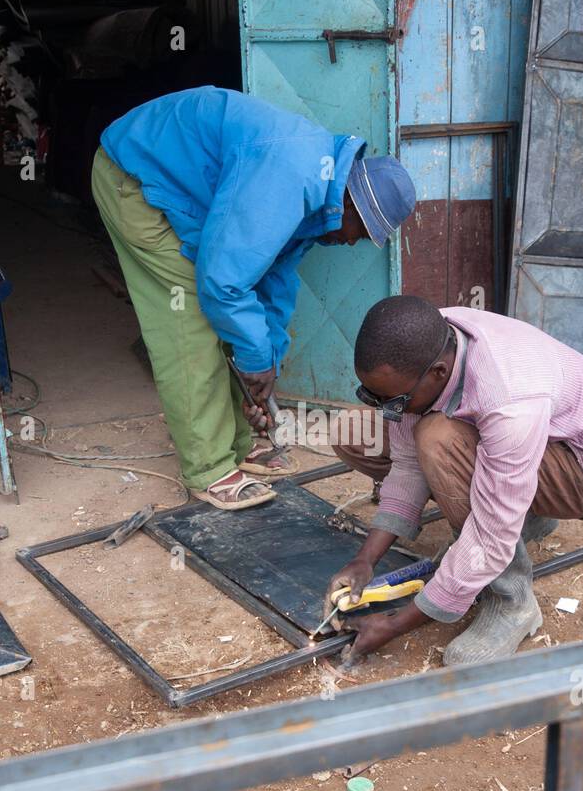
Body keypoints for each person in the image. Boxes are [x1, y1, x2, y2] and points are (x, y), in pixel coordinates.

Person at [92, 86, 417, 509]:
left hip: (181, 182)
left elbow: (272, 283)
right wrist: (254, 361)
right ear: (352, 206)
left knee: (241, 329)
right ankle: (208, 467)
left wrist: (266, 366)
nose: (355, 244)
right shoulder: (289, 179)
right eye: (363, 233)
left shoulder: (320, 195)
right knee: (192, 317)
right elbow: (224, 284)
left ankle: (238, 442)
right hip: (133, 177)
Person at [326, 296, 583, 664]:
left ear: (439, 372)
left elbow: (488, 533)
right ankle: (525, 513)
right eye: (373, 395)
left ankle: (511, 602)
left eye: (393, 400)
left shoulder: (509, 395)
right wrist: (365, 560)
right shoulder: (427, 342)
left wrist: (395, 624)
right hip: (524, 448)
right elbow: (406, 464)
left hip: (580, 470)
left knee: (438, 439)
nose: (387, 408)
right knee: (353, 431)